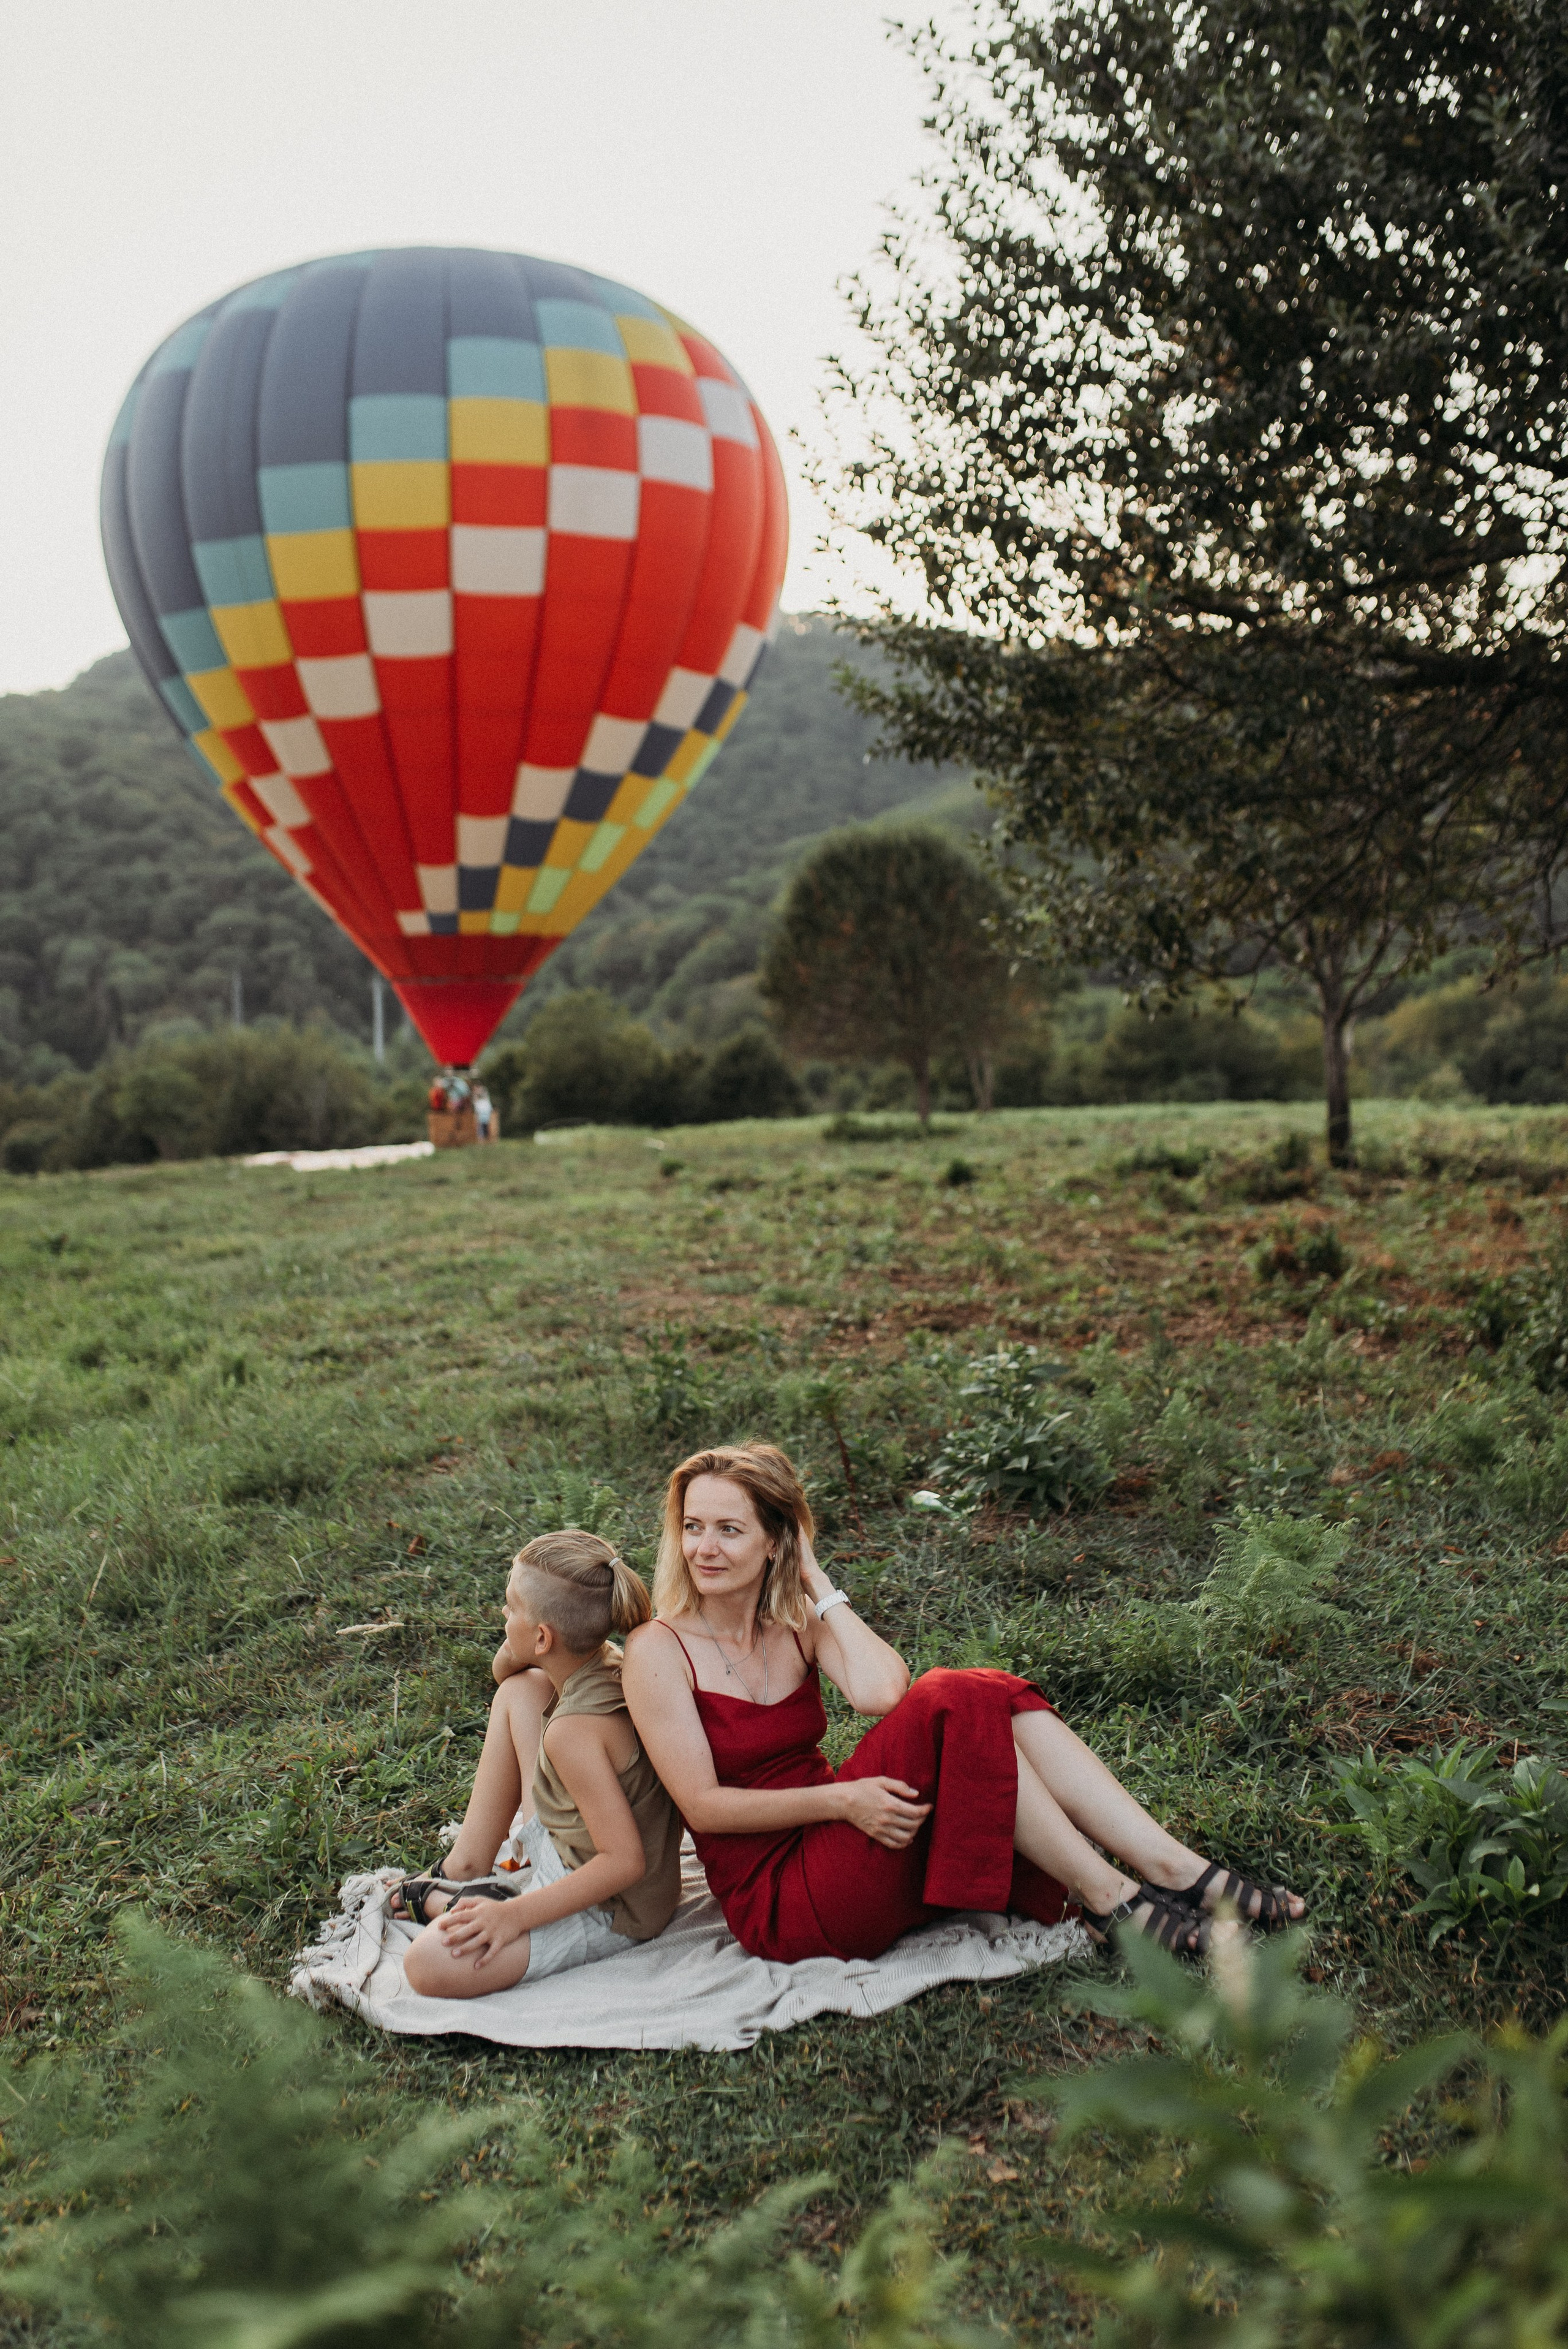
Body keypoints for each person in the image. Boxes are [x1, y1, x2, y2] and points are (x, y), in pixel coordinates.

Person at [622, 1444, 1306, 1962]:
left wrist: (817, 1582)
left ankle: (1168, 1869)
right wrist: (841, 1801)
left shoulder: (797, 1620)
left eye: (729, 1530)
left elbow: (878, 1692)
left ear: (777, 1540)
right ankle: (1114, 1897)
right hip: (786, 1898)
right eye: (693, 1527)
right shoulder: (659, 1649)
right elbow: (705, 1807)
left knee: (983, 1702)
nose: (704, 1549)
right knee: (955, 1695)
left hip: (855, 1841)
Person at [394, 1530, 682, 1999]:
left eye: (512, 1607)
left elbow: (624, 1863)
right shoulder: (605, 1658)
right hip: (581, 1838)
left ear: (544, 1636)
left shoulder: (574, 1734)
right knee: (520, 1690)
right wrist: (515, 1646)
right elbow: (509, 1674)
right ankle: (465, 1867)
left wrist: (514, 1917)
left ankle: (460, 1901)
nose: (503, 1614)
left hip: (610, 1906)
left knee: (426, 1965)